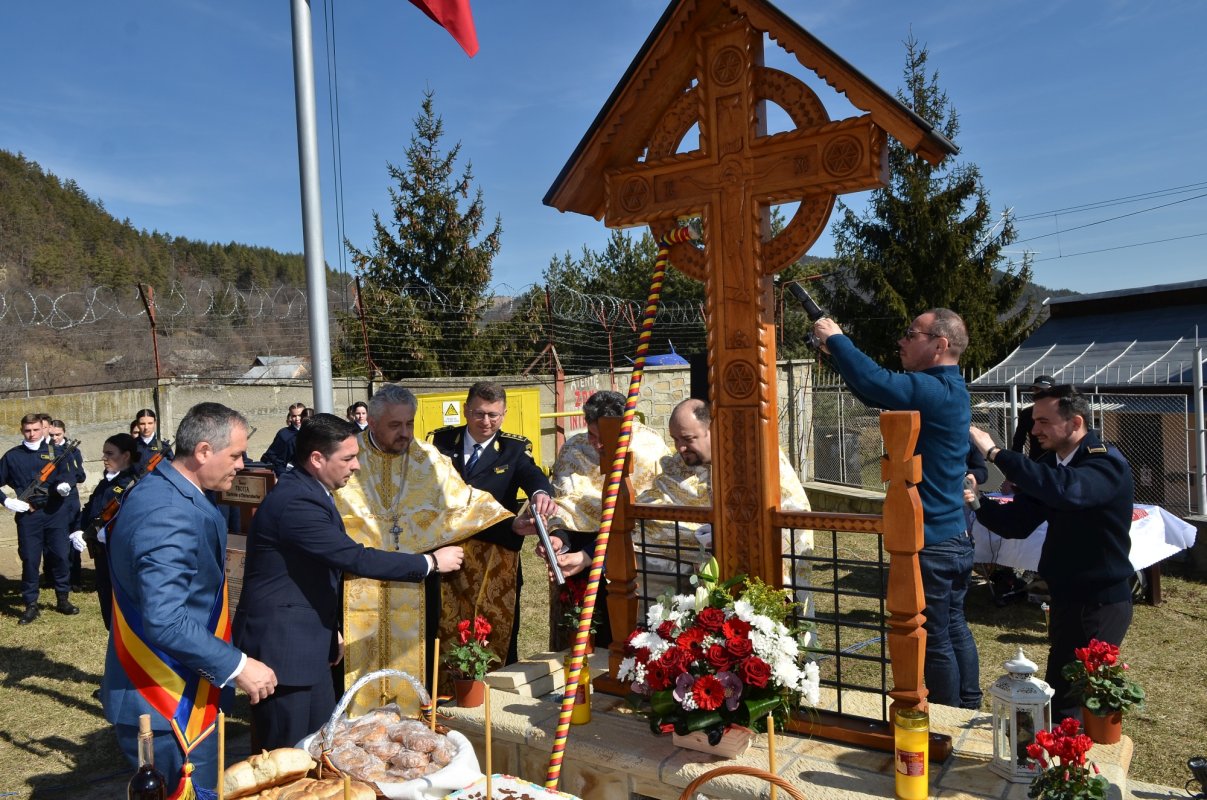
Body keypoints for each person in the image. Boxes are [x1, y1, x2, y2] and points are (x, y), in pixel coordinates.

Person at [234, 414, 466, 749]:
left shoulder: (310, 490)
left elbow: (310, 574)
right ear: (317, 459)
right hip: (285, 651)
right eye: (347, 458)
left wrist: (331, 630)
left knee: (319, 748)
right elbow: (353, 557)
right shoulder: (296, 502)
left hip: (309, 641)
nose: (356, 466)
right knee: (289, 756)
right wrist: (430, 562)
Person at [102, 402, 277, 795]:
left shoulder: (172, 490)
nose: (241, 464)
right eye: (235, 455)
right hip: (164, 700)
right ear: (202, 452)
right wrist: (238, 665)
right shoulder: (168, 511)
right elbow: (165, 618)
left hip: (182, 686)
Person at [813, 309, 981, 710]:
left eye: (911, 334)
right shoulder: (948, 388)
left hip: (932, 538)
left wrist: (837, 338)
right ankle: (968, 708)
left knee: (936, 636)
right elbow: (873, 392)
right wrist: (836, 354)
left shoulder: (934, 389)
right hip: (953, 535)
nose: (902, 341)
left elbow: (876, 381)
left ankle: (947, 718)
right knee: (953, 627)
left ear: (940, 345)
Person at [334, 384, 513, 716]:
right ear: (371, 422)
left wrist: (513, 522)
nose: (405, 434)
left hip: (417, 584)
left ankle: (411, 728)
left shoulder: (428, 459)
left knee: (415, 671)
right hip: (353, 583)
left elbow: (466, 503)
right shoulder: (347, 456)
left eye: (409, 424)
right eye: (394, 426)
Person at [969, 385, 1135, 721]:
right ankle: (1055, 762)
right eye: (1033, 420)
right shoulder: (1052, 464)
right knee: (1061, 694)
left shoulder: (1104, 463)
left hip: (1100, 601)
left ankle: (1082, 766)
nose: (1034, 429)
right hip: (1066, 596)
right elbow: (1018, 523)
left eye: (1044, 421)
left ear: (1075, 423)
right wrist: (976, 500)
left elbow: (1067, 492)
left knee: (1086, 701)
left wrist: (996, 453)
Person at [428, 382, 557, 666]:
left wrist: (540, 493)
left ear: (504, 414)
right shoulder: (439, 443)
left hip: (496, 554)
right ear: (465, 410)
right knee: (446, 630)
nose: (486, 421)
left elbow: (532, 475)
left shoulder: (513, 448)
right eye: (479, 413)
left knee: (498, 632)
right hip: (449, 554)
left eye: (494, 415)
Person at [2, 413, 80, 624]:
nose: (32, 434)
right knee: (30, 559)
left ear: (43, 429)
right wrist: (6, 501)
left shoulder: (58, 453)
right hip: (29, 515)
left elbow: (71, 474)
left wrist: (65, 485)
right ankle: (31, 604)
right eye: (28, 430)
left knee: (61, 556)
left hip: (56, 513)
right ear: (21, 431)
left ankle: (63, 599)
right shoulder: (12, 456)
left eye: (36, 429)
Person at [70, 433, 142, 631]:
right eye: (104, 453)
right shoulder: (106, 482)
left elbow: (137, 523)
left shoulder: (134, 485)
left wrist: (111, 533)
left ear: (126, 456)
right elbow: (90, 508)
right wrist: (79, 529)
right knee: (107, 604)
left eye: (110, 453)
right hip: (102, 556)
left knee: (125, 611)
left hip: (121, 559)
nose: (104, 458)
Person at [48, 419, 87, 589]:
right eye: (51, 434)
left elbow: (81, 475)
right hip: (52, 502)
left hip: (70, 500)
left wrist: (68, 481)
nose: (55, 438)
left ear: (64, 433)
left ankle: (75, 578)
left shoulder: (72, 451)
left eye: (58, 434)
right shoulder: (46, 450)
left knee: (73, 539)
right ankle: (51, 578)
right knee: (52, 542)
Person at [1010, 375, 1057, 460]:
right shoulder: (1027, 413)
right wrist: (1015, 463)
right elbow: (1018, 440)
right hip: (1036, 460)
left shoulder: (1062, 412)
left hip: (1060, 461)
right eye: (1036, 389)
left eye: (1043, 390)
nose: (1039, 393)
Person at [260, 402, 307, 476]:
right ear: (290, 416)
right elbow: (271, 455)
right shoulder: (283, 434)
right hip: (289, 474)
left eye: (300, 415)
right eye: (294, 416)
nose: (297, 419)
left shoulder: (312, 431)